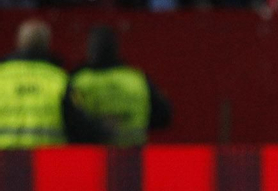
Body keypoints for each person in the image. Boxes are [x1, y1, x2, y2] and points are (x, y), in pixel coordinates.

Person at [0, 20, 107, 149]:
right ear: (47, 44)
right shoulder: (59, 80)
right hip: (47, 163)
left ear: (19, 42)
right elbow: (79, 127)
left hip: (4, 164)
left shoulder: (2, 76)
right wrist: (104, 129)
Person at [68, 25, 173, 149]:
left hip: (93, 159)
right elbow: (164, 116)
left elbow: (70, 121)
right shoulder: (136, 79)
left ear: (90, 50)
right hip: (134, 157)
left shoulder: (79, 81)